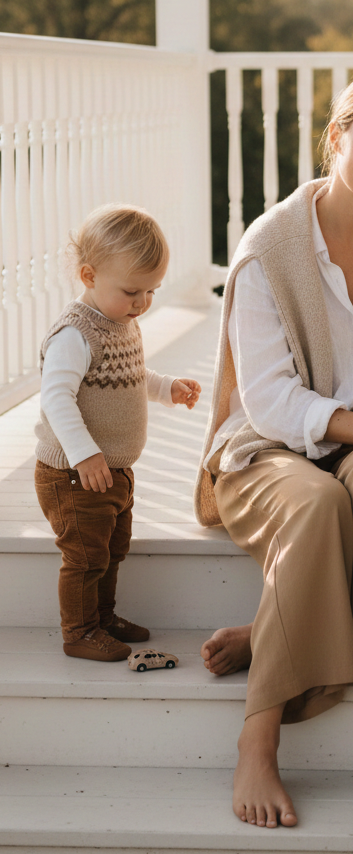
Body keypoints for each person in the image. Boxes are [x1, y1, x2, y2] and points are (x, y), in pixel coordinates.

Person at [193, 72, 353, 829]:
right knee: (318, 499)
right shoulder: (271, 245)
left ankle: (277, 624)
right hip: (268, 448)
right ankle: (259, 738)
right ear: (335, 137)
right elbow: (268, 401)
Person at [34, 205, 201, 663]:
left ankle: (103, 618)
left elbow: (131, 375)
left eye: (151, 291)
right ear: (89, 275)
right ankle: (79, 631)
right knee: (85, 557)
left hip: (112, 472)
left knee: (111, 550)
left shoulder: (121, 322)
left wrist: (167, 388)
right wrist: (84, 454)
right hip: (74, 474)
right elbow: (56, 399)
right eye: (132, 291)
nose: (142, 303)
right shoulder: (75, 334)